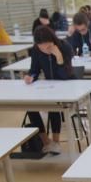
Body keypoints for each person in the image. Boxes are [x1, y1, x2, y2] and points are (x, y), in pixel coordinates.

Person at [22, 26, 74, 154]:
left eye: (48, 46)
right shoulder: (36, 50)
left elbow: (65, 76)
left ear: (53, 41)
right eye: (42, 47)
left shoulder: (65, 47)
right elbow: (34, 69)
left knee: (53, 106)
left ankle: (56, 142)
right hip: (48, 86)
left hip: (67, 85)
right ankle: (46, 141)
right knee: (30, 106)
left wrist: (59, 58)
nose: (45, 50)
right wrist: (31, 77)